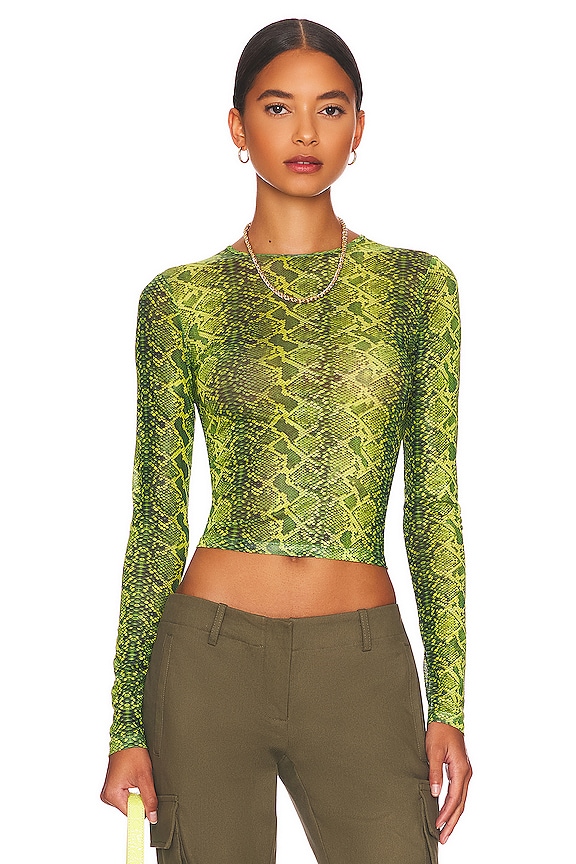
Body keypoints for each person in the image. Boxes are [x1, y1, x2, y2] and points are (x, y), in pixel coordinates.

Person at [101, 17, 472, 864]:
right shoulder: (180, 300)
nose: (305, 133)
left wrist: (449, 702)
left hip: (361, 663)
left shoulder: (419, 288)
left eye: (330, 109)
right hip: (208, 660)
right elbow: (157, 518)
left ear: (359, 127)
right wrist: (126, 724)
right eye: (277, 107)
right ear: (238, 126)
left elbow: (434, 502)